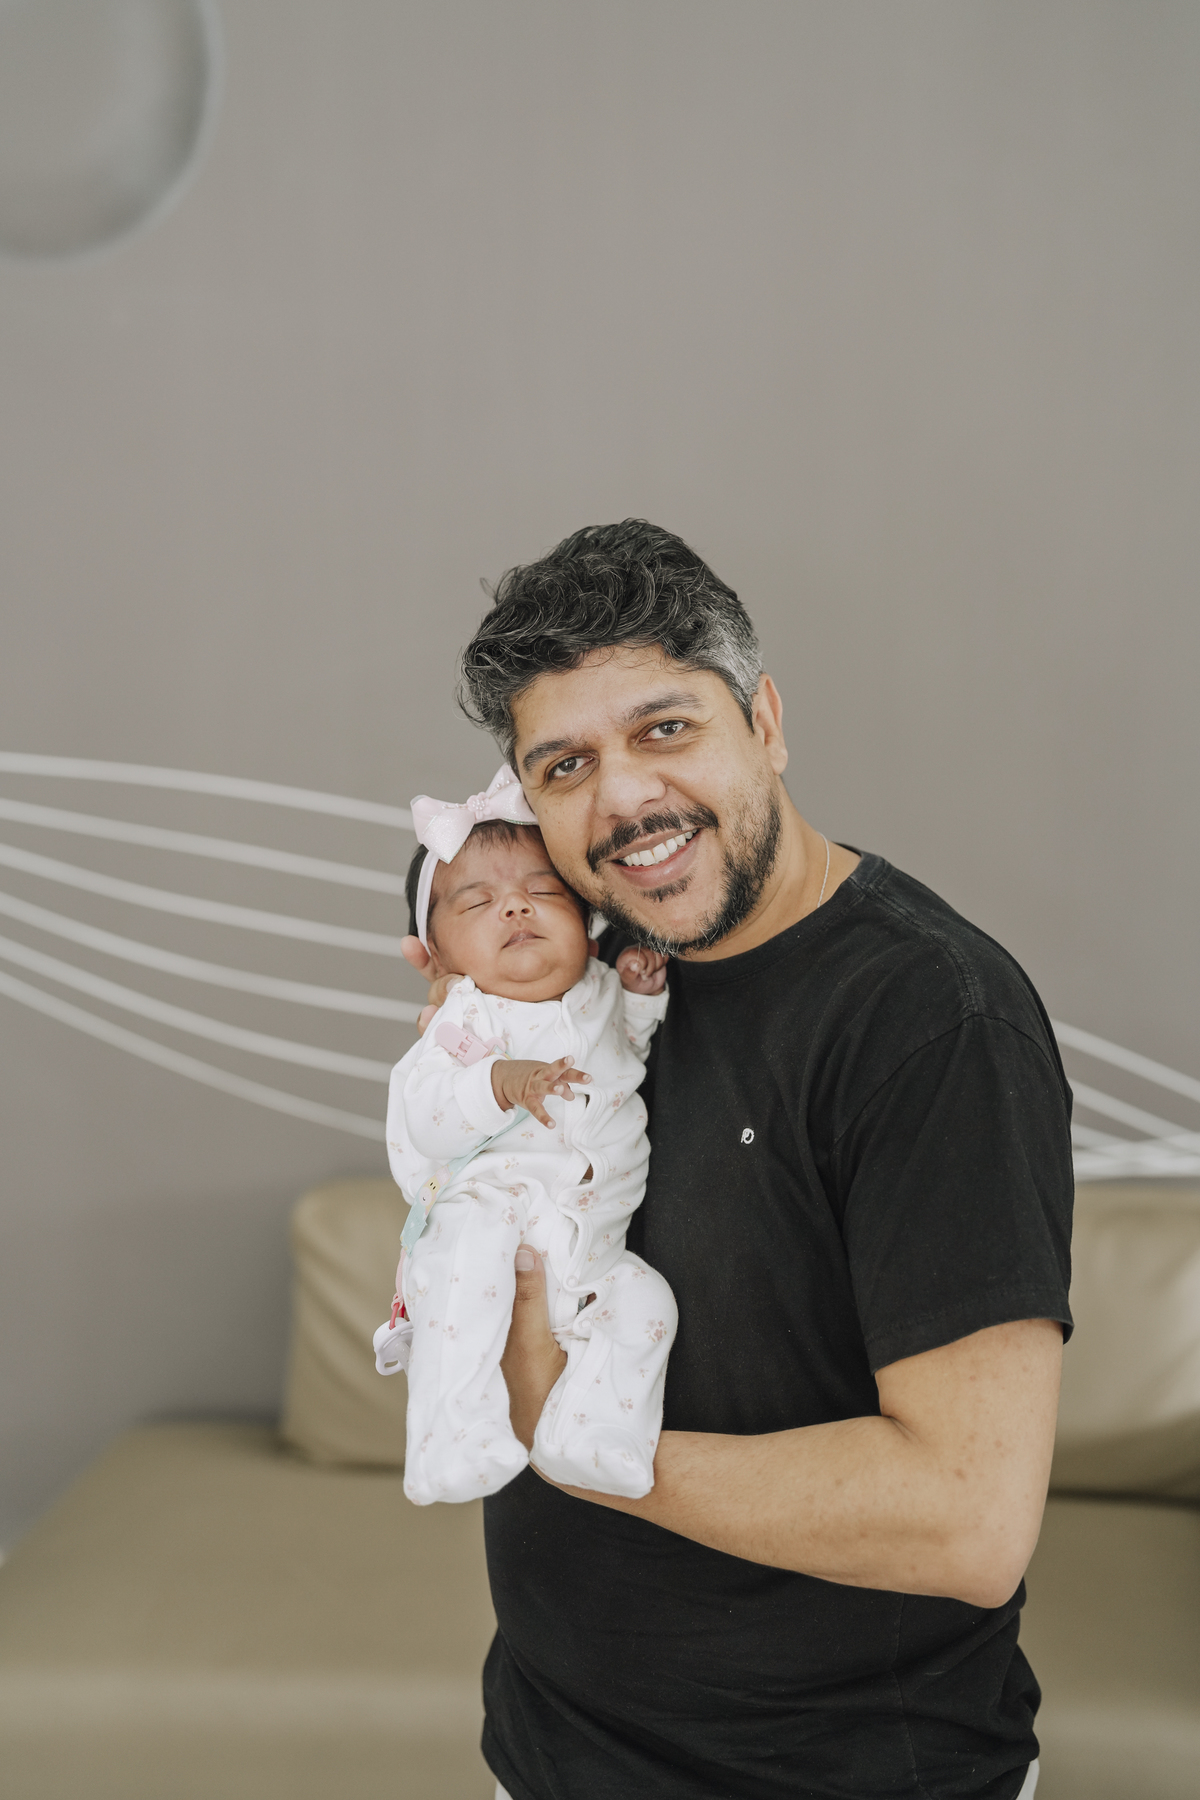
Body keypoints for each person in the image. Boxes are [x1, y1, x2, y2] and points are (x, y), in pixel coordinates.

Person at [402, 520, 1073, 1800]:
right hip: (547, 1757)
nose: (624, 801)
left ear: (763, 721)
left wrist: (573, 1435)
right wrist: (473, 1048)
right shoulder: (595, 978)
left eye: (666, 729)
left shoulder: (931, 1019)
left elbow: (967, 1518)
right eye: (564, 765)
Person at [379, 771, 675, 1507]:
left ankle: (595, 1435)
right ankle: (449, 1440)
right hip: (490, 1216)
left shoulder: (600, 993)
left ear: (587, 921)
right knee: (464, 1288)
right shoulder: (464, 1018)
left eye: (544, 892)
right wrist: (501, 1082)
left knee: (647, 1305)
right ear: (437, 954)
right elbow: (427, 1116)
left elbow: (627, 1060)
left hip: (590, 1249)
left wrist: (642, 999)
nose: (515, 906)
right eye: (477, 902)